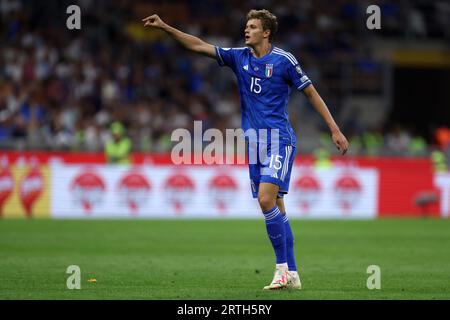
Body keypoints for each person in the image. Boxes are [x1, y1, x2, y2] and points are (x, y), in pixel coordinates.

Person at [143, 9, 348, 290]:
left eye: (252, 27)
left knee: (266, 200)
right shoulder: (239, 57)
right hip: (254, 145)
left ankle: (281, 271)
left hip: (279, 141)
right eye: (246, 26)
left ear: (266, 32)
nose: (246, 30)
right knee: (276, 207)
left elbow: (310, 92)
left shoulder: (284, 61)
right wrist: (166, 27)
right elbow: (199, 45)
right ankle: (294, 273)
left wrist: (334, 129)